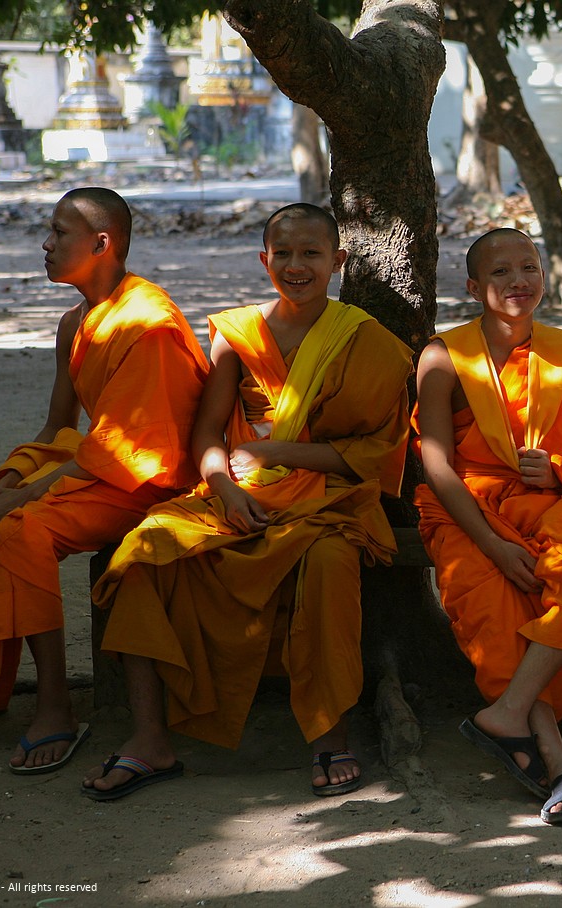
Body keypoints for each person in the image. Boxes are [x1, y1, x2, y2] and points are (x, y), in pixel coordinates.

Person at [84, 203, 412, 800]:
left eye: (311, 253)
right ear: (265, 260)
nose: (296, 265)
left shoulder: (368, 342)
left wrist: (279, 451)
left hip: (325, 500)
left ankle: (329, 733)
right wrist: (226, 490)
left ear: (338, 261)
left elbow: (374, 452)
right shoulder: (237, 335)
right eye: (282, 254)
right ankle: (149, 737)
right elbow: (207, 435)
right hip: (234, 492)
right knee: (142, 554)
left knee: (331, 563)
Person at [0, 188, 208, 777]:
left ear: (101, 243)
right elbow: (59, 427)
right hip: (90, 467)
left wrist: (24, 496)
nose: (45, 244)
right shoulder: (75, 323)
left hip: (146, 481)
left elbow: (140, 449)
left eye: (59, 233)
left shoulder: (149, 324)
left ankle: (55, 704)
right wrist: (13, 476)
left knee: (20, 531)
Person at [415, 227, 562, 825]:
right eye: (501, 272)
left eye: (529, 268)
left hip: (547, 502)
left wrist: (559, 470)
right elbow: (437, 464)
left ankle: (508, 715)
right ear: (474, 287)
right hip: (466, 509)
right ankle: (557, 757)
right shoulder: (444, 356)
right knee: (501, 611)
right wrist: (491, 545)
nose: (518, 281)